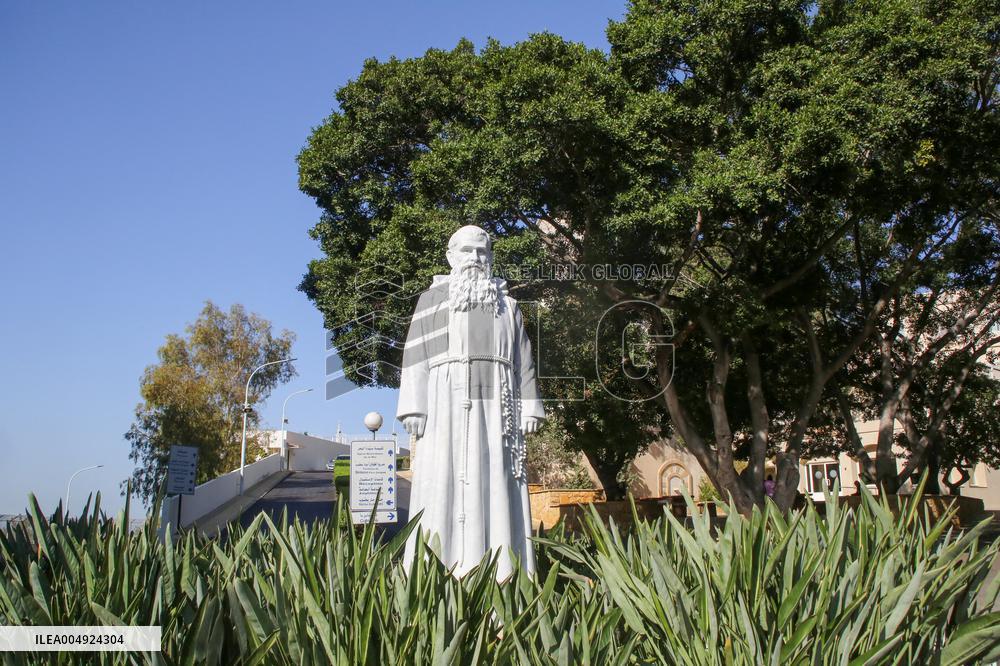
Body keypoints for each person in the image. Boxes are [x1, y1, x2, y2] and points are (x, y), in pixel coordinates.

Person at [397, 225, 545, 581]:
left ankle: (502, 573)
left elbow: (524, 358)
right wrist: (414, 405)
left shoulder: (508, 307)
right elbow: (414, 355)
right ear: (451, 257)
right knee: (442, 477)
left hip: (499, 404)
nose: (475, 259)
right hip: (443, 403)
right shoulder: (431, 301)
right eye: (467, 251)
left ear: (491, 258)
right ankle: (439, 573)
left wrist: (530, 404)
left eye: (482, 252)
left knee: (495, 474)